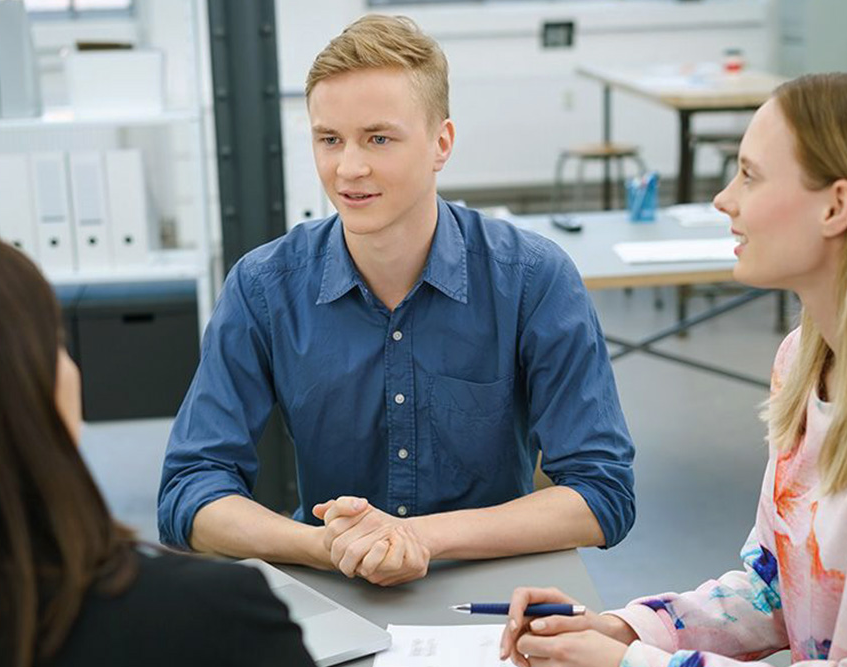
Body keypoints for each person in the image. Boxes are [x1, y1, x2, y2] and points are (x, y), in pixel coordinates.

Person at [499, 72, 847, 666]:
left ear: (837, 206)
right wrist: (627, 629)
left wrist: (628, 664)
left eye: (751, 175)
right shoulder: (803, 360)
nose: (724, 199)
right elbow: (772, 591)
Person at [158, 13, 635, 586]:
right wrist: (322, 546)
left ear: (441, 143)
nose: (348, 168)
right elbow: (189, 490)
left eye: (378, 138)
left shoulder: (533, 278)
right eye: (329, 139)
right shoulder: (264, 287)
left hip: (491, 588)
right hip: (335, 581)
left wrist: (419, 538)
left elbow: (601, 491)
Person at [0, 230, 314, 667]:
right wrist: (320, 544)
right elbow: (192, 484)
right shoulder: (214, 619)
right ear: (36, 392)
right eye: (56, 341)